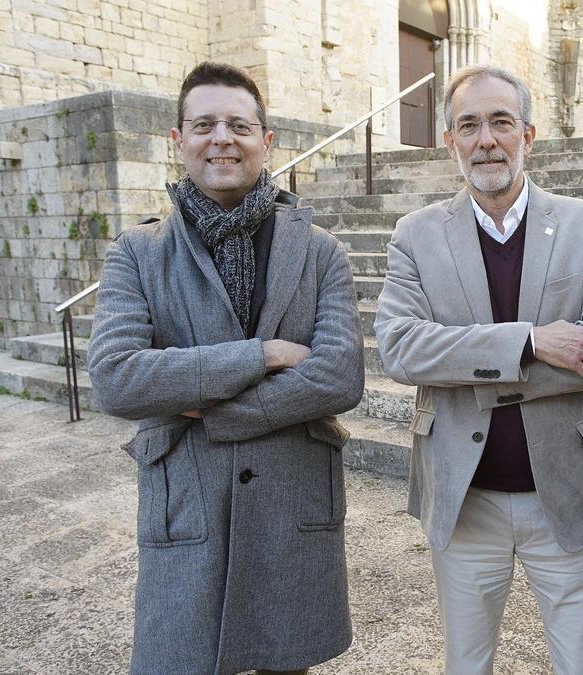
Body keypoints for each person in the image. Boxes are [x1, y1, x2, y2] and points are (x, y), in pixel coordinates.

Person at [87, 61, 363, 675]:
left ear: (267, 141)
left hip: (289, 505)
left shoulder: (321, 253)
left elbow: (341, 376)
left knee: (286, 662)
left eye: (239, 125)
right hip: (188, 503)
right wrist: (259, 355)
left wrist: (210, 407)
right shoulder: (137, 252)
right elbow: (115, 377)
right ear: (178, 140)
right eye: (204, 124)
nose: (221, 138)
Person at [374, 65, 583, 674]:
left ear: (529, 135)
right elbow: (400, 349)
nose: (486, 139)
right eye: (469, 125)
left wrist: (466, 361)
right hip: (466, 495)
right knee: (467, 665)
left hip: (566, 489)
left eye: (501, 122)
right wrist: (531, 344)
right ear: (450, 142)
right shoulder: (416, 236)